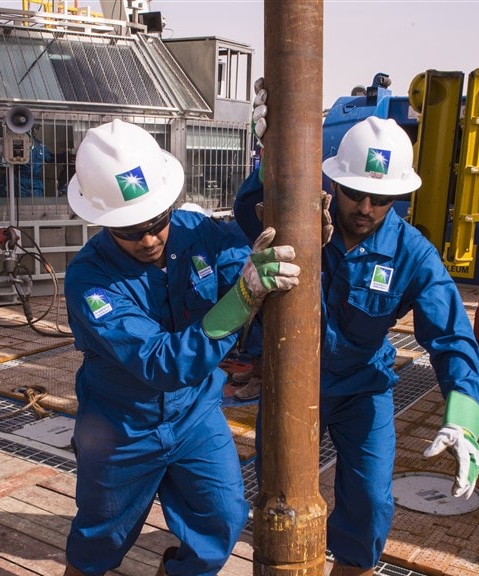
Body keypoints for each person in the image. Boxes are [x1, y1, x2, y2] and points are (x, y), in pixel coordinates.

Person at [235, 104, 479, 575]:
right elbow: (250, 215)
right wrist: (271, 156)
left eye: (381, 198)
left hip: (361, 388)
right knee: (278, 489)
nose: (365, 208)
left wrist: (465, 416)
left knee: (370, 500)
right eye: (354, 192)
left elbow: (452, 334)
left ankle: (353, 568)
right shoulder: (301, 223)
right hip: (290, 383)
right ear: (333, 183)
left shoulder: (412, 254)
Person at [61, 119, 301, 576]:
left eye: (156, 222)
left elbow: (243, 265)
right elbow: (160, 363)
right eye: (130, 230)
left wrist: (302, 235)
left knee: (223, 517)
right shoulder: (90, 280)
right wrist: (242, 299)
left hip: (195, 414)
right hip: (121, 428)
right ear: (102, 221)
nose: (149, 239)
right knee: (100, 538)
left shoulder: (199, 233)